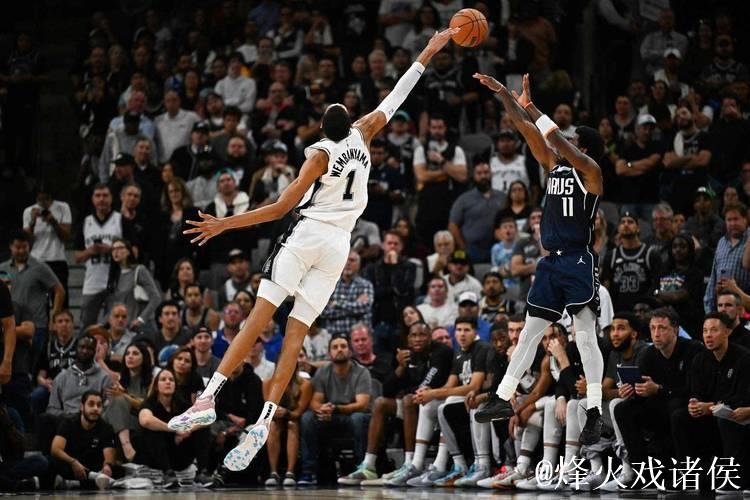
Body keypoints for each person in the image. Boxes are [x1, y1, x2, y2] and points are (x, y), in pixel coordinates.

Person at [166, 29, 461, 477]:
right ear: (350, 121)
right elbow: (399, 92)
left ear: (322, 129)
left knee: (257, 319)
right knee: (295, 336)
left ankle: (208, 397)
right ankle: (265, 421)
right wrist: (430, 49)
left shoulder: (319, 156)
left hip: (307, 236)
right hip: (339, 246)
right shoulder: (364, 134)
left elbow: (280, 208)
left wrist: (225, 223)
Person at [472, 73, 606, 444]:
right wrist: (505, 96)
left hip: (578, 260)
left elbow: (556, 138)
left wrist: (531, 106)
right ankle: (503, 397)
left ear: (584, 147)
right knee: (530, 331)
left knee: (584, 335)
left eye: (574, 140)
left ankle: (594, 410)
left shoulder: (591, 172)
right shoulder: (553, 166)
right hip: (551, 263)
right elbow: (525, 129)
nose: (566, 142)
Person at [338, 321, 453, 485]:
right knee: (381, 403)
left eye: (422, 335)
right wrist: (400, 367)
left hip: (437, 402)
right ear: (408, 339)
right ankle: (368, 466)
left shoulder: (441, 351)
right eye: (414, 335)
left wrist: (411, 392)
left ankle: (410, 463)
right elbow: (387, 390)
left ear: (430, 337)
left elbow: (430, 381)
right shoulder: (407, 355)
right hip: (415, 404)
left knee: (408, 400)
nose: (418, 339)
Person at [298, 335, 373, 485]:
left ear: (350, 351)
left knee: (358, 418)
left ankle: (362, 468)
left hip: (351, 415)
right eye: (335, 347)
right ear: (329, 353)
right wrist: (322, 410)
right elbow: (315, 400)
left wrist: (335, 409)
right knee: (307, 418)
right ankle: (308, 472)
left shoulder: (361, 372)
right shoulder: (323, 372)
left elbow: (362, 404)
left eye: (343, 346)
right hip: (331, 415)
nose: (339, 350)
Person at [0, 231, 63, 359]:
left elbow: (59, 290)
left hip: (37, 325)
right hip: (9, 324)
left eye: (24, 247)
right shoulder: (2, 268)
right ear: (11, 247)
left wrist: (53, 318)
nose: (21, 251)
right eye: (18, 247)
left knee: (35, 363)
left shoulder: (40, 267)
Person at [75, 185, 123, 328]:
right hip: (92, 282)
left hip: (116, 282)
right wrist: (91, 251)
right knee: (87, 326)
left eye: (105, 195)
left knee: (114, 325)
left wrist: (110, 249)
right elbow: (77, 257)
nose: (101, 199)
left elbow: (131, 251)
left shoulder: (120, 219)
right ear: (92, 199)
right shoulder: (86, 222)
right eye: (98, 195)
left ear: (111, 198)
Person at [50, 391, 117, 490]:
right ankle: (92, 479)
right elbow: (55, 449)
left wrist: (107, 466)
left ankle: (75, 484)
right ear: (82, 407)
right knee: (52, 463)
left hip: (92, 464)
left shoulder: (106, 428)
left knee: (117, 470)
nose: (95, 408)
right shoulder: (68, 422)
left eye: (99, 405)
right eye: (91, 404)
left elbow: (109, 454)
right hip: (71, 463)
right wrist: (73, 462)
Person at [263, 363, 312, 487]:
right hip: (276, 420)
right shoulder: (267, 383)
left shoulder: (304, 384)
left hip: (296, 419)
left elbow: (298, 412)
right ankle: (273, 472)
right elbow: (268, 409)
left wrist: (286, 413)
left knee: (292, 424)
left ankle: (290, 472)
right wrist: (276, 412)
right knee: (272, 425)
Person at [102, 342, 152, 462]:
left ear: (144, 358)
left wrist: (125, 396)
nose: (130, 356)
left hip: (138, 421)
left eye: (135, 353)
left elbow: (146, 406)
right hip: (116, 421)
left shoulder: (151, 381)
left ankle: (122, 451)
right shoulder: (118, 380)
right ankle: (126, 447)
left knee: (119, 400)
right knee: (115, 403)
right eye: (127, 354)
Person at [601, 212, 660, 312]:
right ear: (618, 228)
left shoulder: (650, 254)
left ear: (638, 228)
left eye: (630, 222)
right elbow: (606, 286)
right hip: (618, 312)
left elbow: (656, 284)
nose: (626, 224)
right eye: (622, 222)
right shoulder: (611, 256)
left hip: (644, 312)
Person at [448, 162, 506, 264]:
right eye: (479, 173)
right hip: (472, 249)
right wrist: (462, 246)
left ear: (491, 174)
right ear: (473, 176)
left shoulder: (502, 197)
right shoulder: (464, 199)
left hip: (498, 247)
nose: (483, 176)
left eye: (486, 172)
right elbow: (453, 225)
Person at [22, 190, 72, 304]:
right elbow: (26, 242)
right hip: (36, 260)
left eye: (46, 199)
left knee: (61, 302)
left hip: (57, 259)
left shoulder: (63, 207)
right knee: (36, 303)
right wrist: (32, 223)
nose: (43, 203)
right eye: (40, 200)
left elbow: (66, 236)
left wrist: (54, 222)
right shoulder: (28, 211)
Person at [103, 239, 160, 333]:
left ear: (128, 251)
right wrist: (101, 324)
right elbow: (111, 307)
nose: (116, 251)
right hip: (124, 328)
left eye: (120, 248)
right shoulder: (114, 277)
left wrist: (141, 319)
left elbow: (155, 298)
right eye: (113, 249)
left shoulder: (139, 270)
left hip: (142, 328)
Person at [319, 251, 374, 338]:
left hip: (358, 338)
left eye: (352, 260)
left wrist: (336, 304)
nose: (348, 263)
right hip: (334, 338)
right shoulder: (330, 284)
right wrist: (354, 307)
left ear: (359, 265)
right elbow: (323, 312)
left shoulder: (366, 285)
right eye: (345, 260)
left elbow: (364, 307)